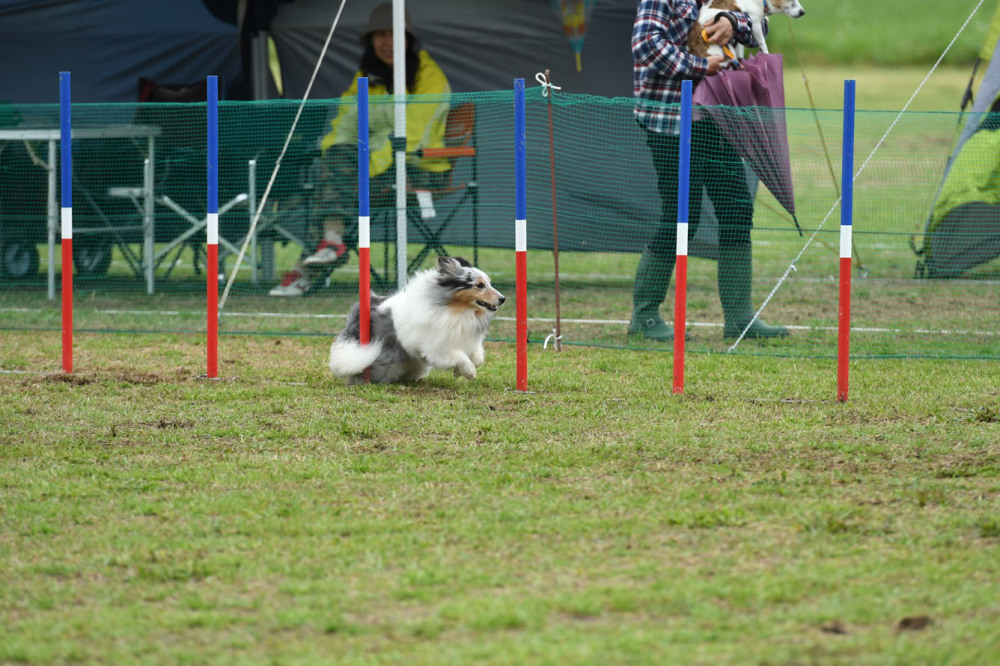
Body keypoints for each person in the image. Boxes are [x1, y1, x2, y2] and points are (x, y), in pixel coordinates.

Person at [629, 0, 788, 340]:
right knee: (681, 214)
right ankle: (644, 318)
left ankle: (740, 319)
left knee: (737, 209)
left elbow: (760, 25)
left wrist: (732, 21)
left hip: (718, 118)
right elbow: (645, 45)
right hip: (670, 122)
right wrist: (700, 65)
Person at [270, 3, 451, 296]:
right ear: (370, 42)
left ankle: (314, 263)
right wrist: (335, 150)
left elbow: (412, 137)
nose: (387, 42)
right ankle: (329, 245)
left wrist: (365, 166)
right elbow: (346, 120)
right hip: (369, 166)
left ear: (410, 40)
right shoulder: (367, 76)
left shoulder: (430, 77)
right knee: (334, 163)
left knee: (336, 179)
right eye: (379, 35)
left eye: (394, 34)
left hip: (419, 170)